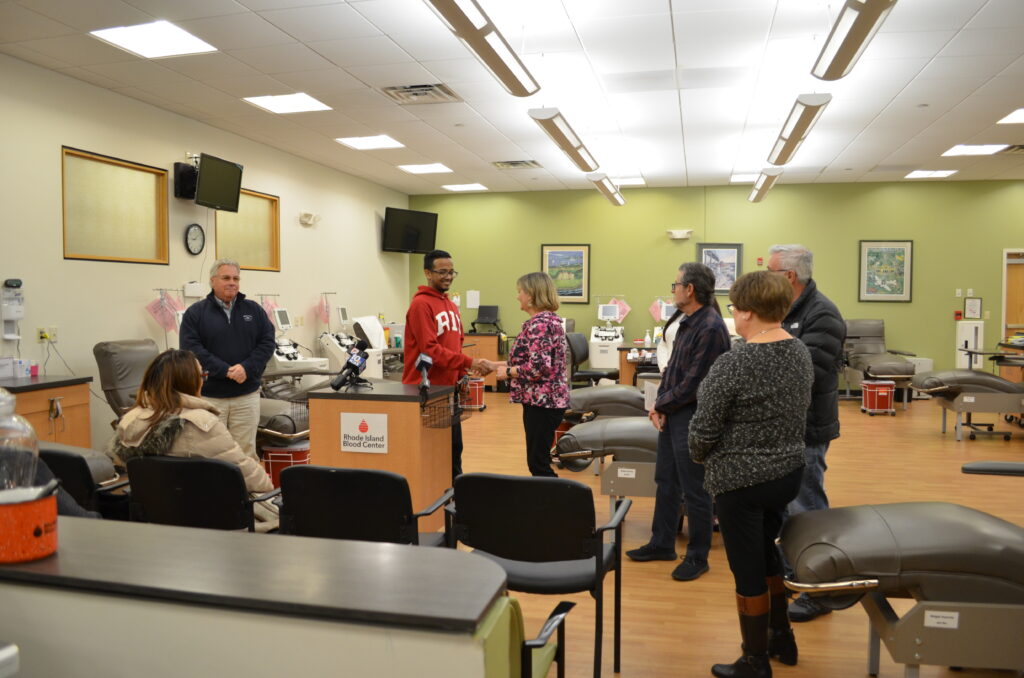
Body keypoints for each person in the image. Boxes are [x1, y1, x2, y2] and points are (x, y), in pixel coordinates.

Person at [688, 272, 813, 678]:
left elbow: (703, 429)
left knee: (747, 570)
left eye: (735, 308)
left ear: (747, 313)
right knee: (767, 555)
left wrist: (699, 453)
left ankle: (755, 660)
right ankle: (782, 638)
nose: (734, 316)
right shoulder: (800, 352)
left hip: (741, 481)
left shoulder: (735, 362)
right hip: (786, 474)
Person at [626, 262, 730, 581]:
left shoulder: (709, 326)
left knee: (694, 488)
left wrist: (662, 404)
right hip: (674, 411)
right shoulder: (688, 321)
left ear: (690, 290)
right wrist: (658, 404)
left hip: (693, 414)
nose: (673, 291)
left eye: (675, 285)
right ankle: (662, 543)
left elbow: (695, 382)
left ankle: (698, 557)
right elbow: (673, 371)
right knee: (666, 480)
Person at [108, 349, 278, 531]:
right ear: (190, 381)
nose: (202, 380)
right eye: (202, 375)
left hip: (158, 520)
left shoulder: (129, 420)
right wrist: (264, 478)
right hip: (218, 523)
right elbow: (253, 480)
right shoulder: (202, 424)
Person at [766, 244, 846, 622]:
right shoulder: (787, 310)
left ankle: (819, 590)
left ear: (789, 277)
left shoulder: (822, 314)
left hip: (808, 428)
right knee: (786, 507)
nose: (766, 277)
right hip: (784, 425)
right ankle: (792, 574)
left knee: (807, 506)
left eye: (770, 271)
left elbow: (804, 372)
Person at [402, 249, 494, 480]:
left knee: (454, 451)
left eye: (452, 272)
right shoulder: (421, 305)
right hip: (427, 391)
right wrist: (469, 362)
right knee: (432, 453)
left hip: (449, 391)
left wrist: (463, 373)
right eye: (442, 272)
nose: (448, 276)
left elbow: (455, 344)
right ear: (427, 273)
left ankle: (455, 500)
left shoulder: (451, 306)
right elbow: (429, 350)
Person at [180, 258, 276, 461]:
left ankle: (249, 493)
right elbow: (192, 349)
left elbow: (267, 343)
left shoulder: (254, 310)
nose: (232, 282)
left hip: (246, 396)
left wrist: (246, 368)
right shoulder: (195, 313)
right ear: (213, 281)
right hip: (210, 398)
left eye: (236, 278)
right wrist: (225, 370)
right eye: (226, 278)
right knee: (211, 454)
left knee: (246, 453)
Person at [494, 272, 569, 477]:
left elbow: (537, 368)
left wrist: (508, 372)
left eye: (520, 292)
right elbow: (531, 360)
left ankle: (558, 505)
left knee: (538, 464)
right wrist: (493, 365)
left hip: (543, 403)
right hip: (547, 401)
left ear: (531, 295)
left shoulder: (540, 324)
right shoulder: (549, 320)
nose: (518, 296)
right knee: (539, 460)